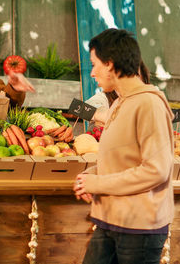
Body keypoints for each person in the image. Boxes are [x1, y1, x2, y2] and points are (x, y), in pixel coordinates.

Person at [73, 28, 174, 264]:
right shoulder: (120, 102)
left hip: (139, 228)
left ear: (109, 64)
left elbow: (156, 170)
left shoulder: (148, 103)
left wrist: (98, 183)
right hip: (111, 219)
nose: (92, 73)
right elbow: (124, 159)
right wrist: (89, 177)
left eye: (94, 64)